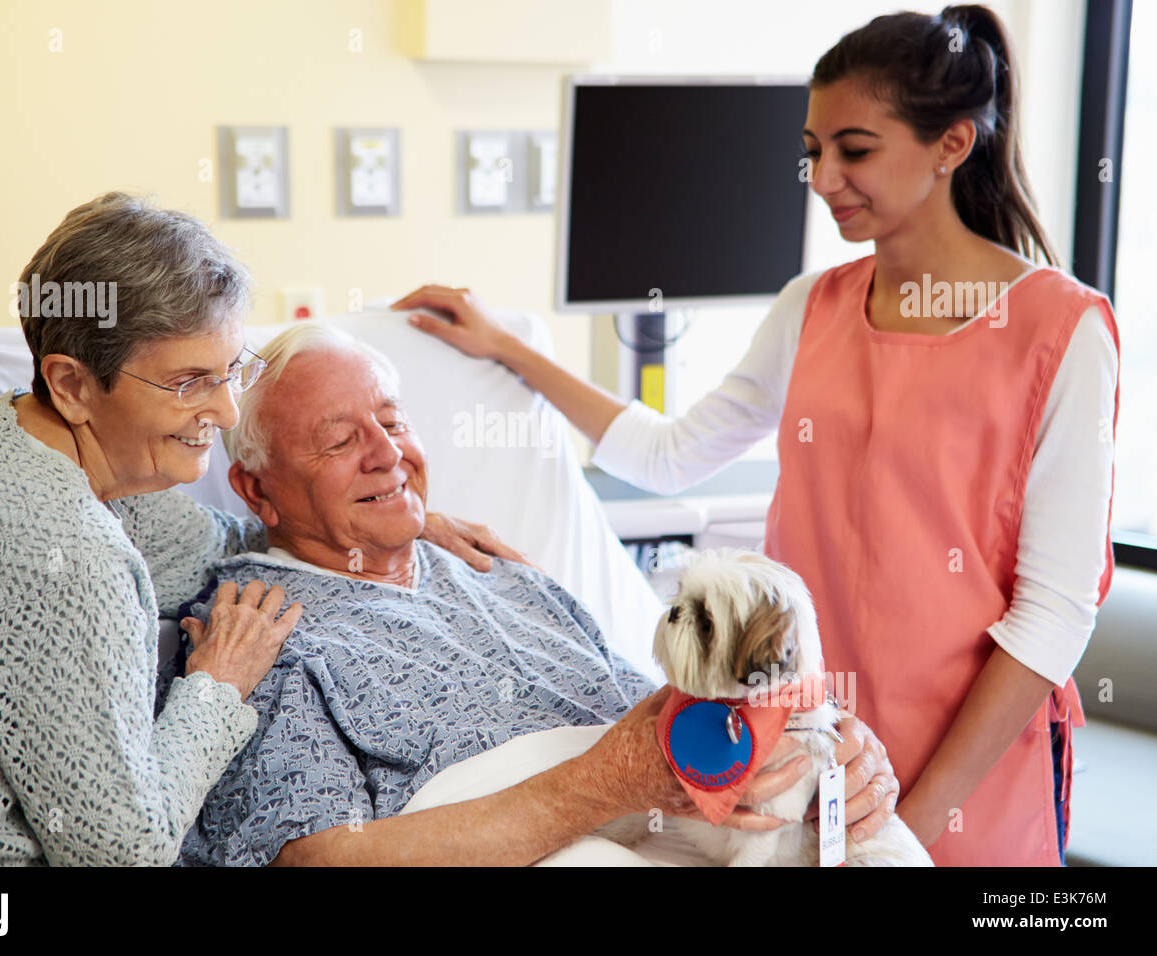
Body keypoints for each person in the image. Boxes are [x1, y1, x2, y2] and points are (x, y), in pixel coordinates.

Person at [393, 5, 1120, 867]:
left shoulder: (1061, 333)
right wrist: (511, 348)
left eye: (855, 150)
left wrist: (902, 832)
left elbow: (1051, 618)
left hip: (968, 777)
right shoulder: (810, 309)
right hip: (799, 756)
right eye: (813, 151)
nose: (823, 176)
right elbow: (669, 456)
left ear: (951, 145)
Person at [0, 193, 520, 865]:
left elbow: (219, 543)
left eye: (231, 369)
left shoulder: (51, 444)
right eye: (190, 382)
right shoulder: (55, 552)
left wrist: (386, 512)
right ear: (73, 385)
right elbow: (120, 855)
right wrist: (218, 685)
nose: (228, 411)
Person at [173, 321, 901, 866]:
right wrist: (600, 786)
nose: (388, 455)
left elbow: (669, 710)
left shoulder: (500, 570)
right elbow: (312, 860)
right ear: (255, 491)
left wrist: (821, 753)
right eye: (340, 441)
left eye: (393, 422)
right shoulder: (257, 633)